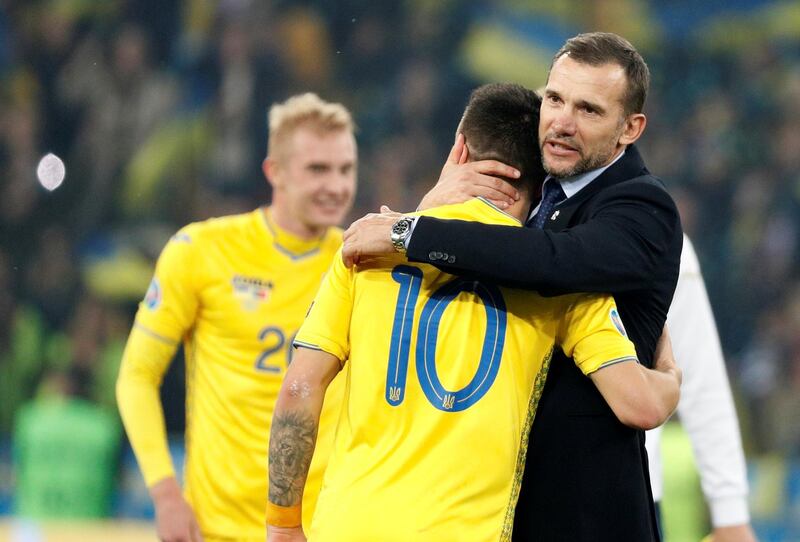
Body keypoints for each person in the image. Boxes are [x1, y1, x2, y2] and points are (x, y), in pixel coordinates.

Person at [265, 83, 681, 542]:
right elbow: (639, 404)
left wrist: (283, 526)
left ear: (458, 151)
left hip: (348, 526)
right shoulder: (562, 286)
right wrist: (669, 371)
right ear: (545, 186)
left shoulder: (367, 249)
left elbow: (298, 389)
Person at [116, 93, 357, 542]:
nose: (336, 186)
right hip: (218, 529)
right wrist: (166, 493)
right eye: (318, 169)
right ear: (275, 172)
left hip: (321, 529)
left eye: (346, 169)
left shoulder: (359, 263)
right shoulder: (202, 252)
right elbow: (136, 376)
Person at [647, 235, 756, 542]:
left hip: (632, 498)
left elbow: (700, 379)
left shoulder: (660, 234)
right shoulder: (511, 224)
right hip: (513, 490)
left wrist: (730, 514)